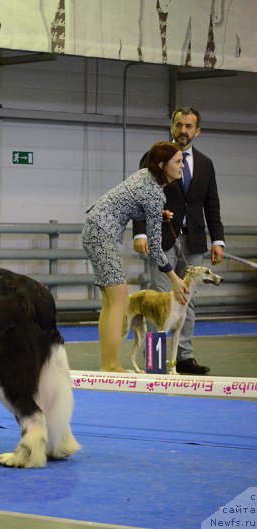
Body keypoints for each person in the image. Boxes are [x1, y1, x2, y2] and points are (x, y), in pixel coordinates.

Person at [132, 107, 225, 375]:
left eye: (189, 126)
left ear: (198, 131)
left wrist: (217, 240)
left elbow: (212, 204)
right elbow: (141, 196)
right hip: (161, 238)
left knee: (188, 301)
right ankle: (157, 360)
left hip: (194, 240)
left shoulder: (206, 164)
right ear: (171, 127)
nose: (183, 131)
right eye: (179, 125)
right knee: (159, 299)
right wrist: (140, 233)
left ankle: (184, 358)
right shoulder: (154, 157)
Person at [83, 141, 189, 372]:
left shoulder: (145, 176)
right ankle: (110, 365)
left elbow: (129, 202)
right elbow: (156, 247)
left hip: (95, 230)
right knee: (120, 302)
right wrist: (175, 278)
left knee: (110, 302)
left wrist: (157, 214)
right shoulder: (154, 194)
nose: (183, 165)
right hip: (102, 235)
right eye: (178, 161)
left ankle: (107, 364)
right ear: (163, 165)